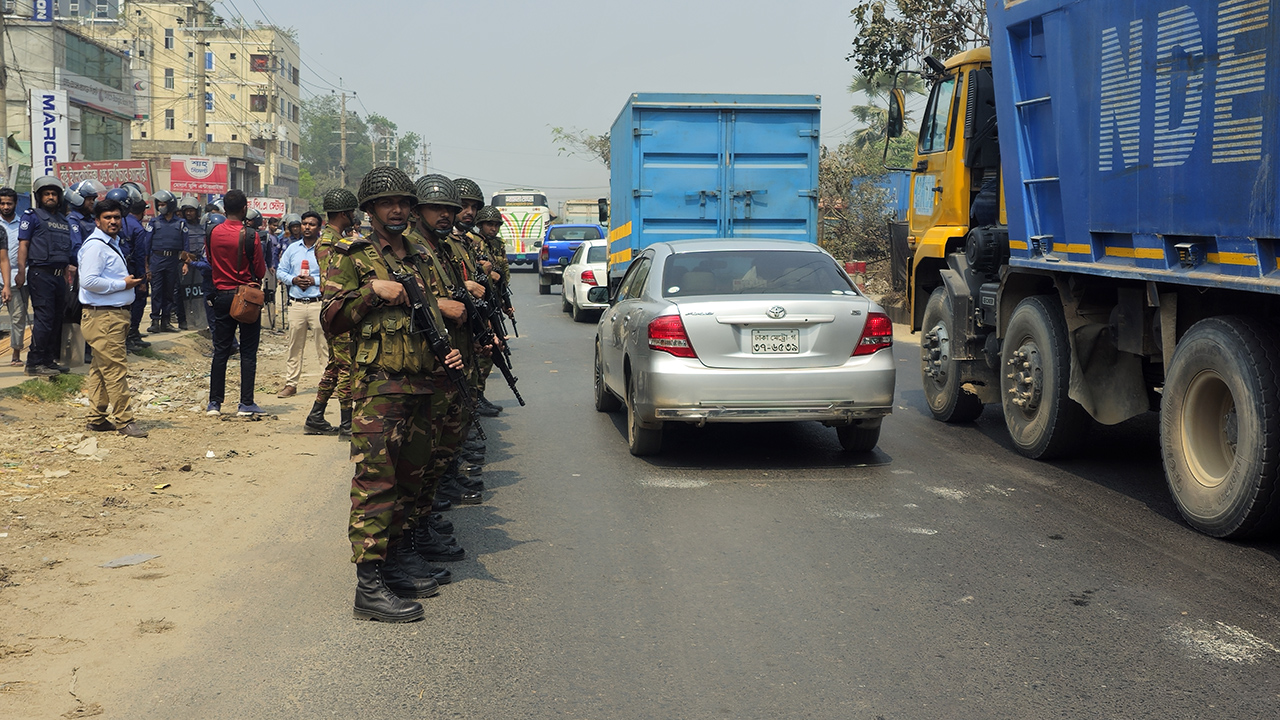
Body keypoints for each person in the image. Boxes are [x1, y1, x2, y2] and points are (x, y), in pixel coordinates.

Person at [321, 166, 465, 622]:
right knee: (375, 482)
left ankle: (397, 559)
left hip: (424, 381)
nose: (398, 209)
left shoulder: (419, 253)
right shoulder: (353, 254)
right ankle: (369, 585)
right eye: (388, 203)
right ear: (369, 210)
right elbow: (331, 318)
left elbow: (435, 308)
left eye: (404, 202)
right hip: (380, 386)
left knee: (411, 479)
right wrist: (371, 293)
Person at [410, 174, 484, 549]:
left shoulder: (440, 249)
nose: (447, 215)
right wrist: (444, 304)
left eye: (450, 210)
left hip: (450, 355)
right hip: (420, 363)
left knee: (441, 445)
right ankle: (412, 537)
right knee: (420, 455)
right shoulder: (408, 248)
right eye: (437, 208)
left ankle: (422, 523)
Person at [77, 198, 148, 438]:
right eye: (107, 218)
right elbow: (88, 281)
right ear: (97, 221)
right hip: (104, 316)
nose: (113, 221)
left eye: (116, 217)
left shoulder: (111, 243)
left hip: (111, 315)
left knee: (100, 368)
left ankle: (96, 418)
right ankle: (124, 420)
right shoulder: (96, 246)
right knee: (116, 369)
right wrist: (122, 283)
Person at [205, 189, 266, 417]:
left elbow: (211, 261)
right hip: (246, 297)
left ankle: (215, 403)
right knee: (248, 351)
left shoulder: (211, 232)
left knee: (221, 350)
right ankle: (246, 403)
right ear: (244, 209)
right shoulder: (251, 235)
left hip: (221, 295)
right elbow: (259, 270)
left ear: (224, 208)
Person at [308, 188, 359, 435]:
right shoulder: (331, 241)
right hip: (337, 310)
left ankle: (316, 415)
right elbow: (333, 280)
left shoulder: (333, 237)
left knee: (336, 365)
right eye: (351, 212)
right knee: (346, 366)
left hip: (335, 309)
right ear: (343, 213)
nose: (353, 216)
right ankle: (347, 422)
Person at [453, 178, 502, 418]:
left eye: (474, 207)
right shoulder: (429, 243)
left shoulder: (466, 242)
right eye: (464, 205)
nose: (469, 212)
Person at [18, 176, 73, 377]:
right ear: (39, 197)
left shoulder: (62, 220)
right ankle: (34, 362)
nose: (51, 197)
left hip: (59, 277)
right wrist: (21, 272)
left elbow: (64, 252)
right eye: (46, 194)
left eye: (54, 194)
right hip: (40, 274)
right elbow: (23, 245)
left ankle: (48, 360)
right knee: (44, 319)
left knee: (57, 318)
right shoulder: (32, 216)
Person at [276, 211, 328, 398]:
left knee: (323, 346)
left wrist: (314, 281)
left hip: (318, 304)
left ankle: (328, 384)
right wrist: (293, 280)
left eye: (311, 224)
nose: (307, 227)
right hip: (297, 304)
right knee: (294, 346)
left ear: (319, 227)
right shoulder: (292, 249)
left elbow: (332, 275)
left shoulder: (325, 249)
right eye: (304, 223)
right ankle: (291, 384)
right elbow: (280, 271)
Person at [147, 190, 187, 334]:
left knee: (170, 291)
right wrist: (147, 265)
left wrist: (185, 263)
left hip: (173, 260)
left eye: (163, 204)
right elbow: (147, 243)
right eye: (159, 204)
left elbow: (185, 245)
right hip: (157, 259)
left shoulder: (181, 223)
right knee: (156, 291)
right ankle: (155, 321)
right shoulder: (154, 222)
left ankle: (166, 321)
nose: (161, 207)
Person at [123, 189, 152, 349]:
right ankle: (132, 335)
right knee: (138, 301)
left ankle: (129, 336)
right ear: (141, 212)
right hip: (134, 270)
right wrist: (142, 277)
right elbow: (140, 254)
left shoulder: (122, 221)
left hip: (121, 270)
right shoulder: (137, 228)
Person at [0, 188, 25, 366]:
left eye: (9, 203)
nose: (6, 206)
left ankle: (16, 354)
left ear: (15, 204)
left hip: (18, 276)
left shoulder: (23, 223)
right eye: (2, 203)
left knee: (18, 316)